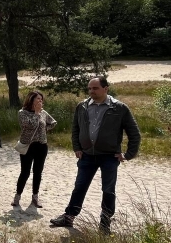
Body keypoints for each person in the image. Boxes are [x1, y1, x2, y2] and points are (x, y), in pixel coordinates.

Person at [50, 76, 141, 234]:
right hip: (86, 156)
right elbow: (75, 129)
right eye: (90, 88)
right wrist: (77, 147)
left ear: (106, 89)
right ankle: (68, 217)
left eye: (95, 88)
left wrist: (128, 154)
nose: (91, 91)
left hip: (109, 157)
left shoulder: (119, 108)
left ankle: (104, 225)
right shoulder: (82, 106)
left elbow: (134, 133)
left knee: (108, 190)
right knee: (79, 187)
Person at [12, 91, 57, 208]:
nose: (40, 101)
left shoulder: (43, 113)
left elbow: (53, 122)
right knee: (25, 172)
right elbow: (30, 125)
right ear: (31, 99)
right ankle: (17, 196)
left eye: (41, 100)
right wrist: (36, 113)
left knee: (38, 172)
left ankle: (35, 197)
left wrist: (44, 129)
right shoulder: (22, 113)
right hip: (28, 146)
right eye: (38, 99)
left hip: (42, 146)